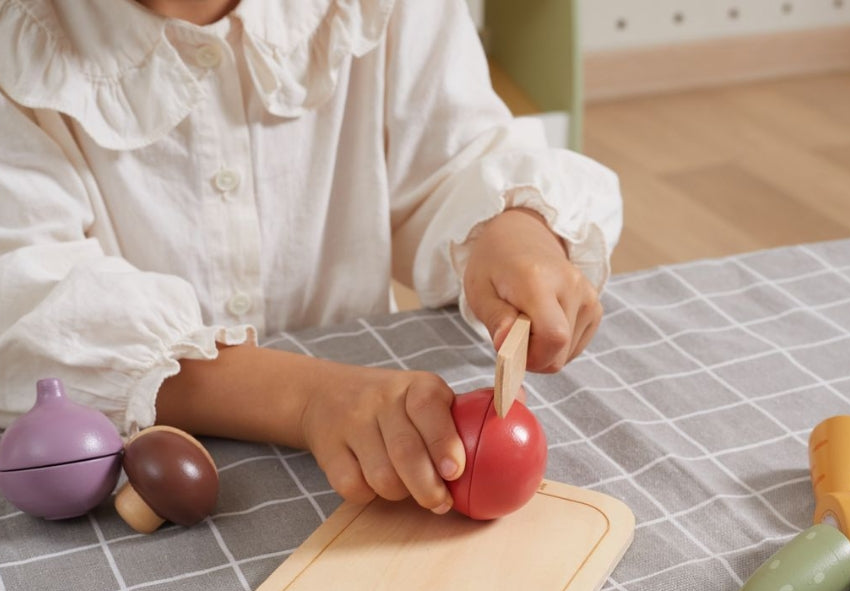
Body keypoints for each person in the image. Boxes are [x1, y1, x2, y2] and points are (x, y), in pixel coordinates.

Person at [0, 0, 622, 516]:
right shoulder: (18, 40)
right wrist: (308, 398)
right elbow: (31, 305)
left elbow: (451, 157)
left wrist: (513, 230)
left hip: (370, 423)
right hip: (150, 441)